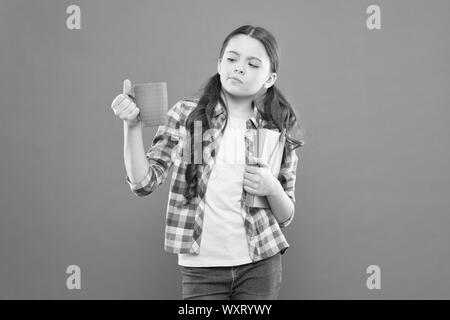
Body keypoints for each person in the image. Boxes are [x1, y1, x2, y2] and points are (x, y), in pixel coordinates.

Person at [110, 25, 305, 300]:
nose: (239, 68)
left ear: (269, 78)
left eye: (252, 64)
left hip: (261, 264)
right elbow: (143, 184)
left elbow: (286, 216)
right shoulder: (187, 115)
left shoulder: (275, 128)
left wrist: (271, 187)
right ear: (219, 63)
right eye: (232, 59)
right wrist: (131, 128)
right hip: (201, 270)